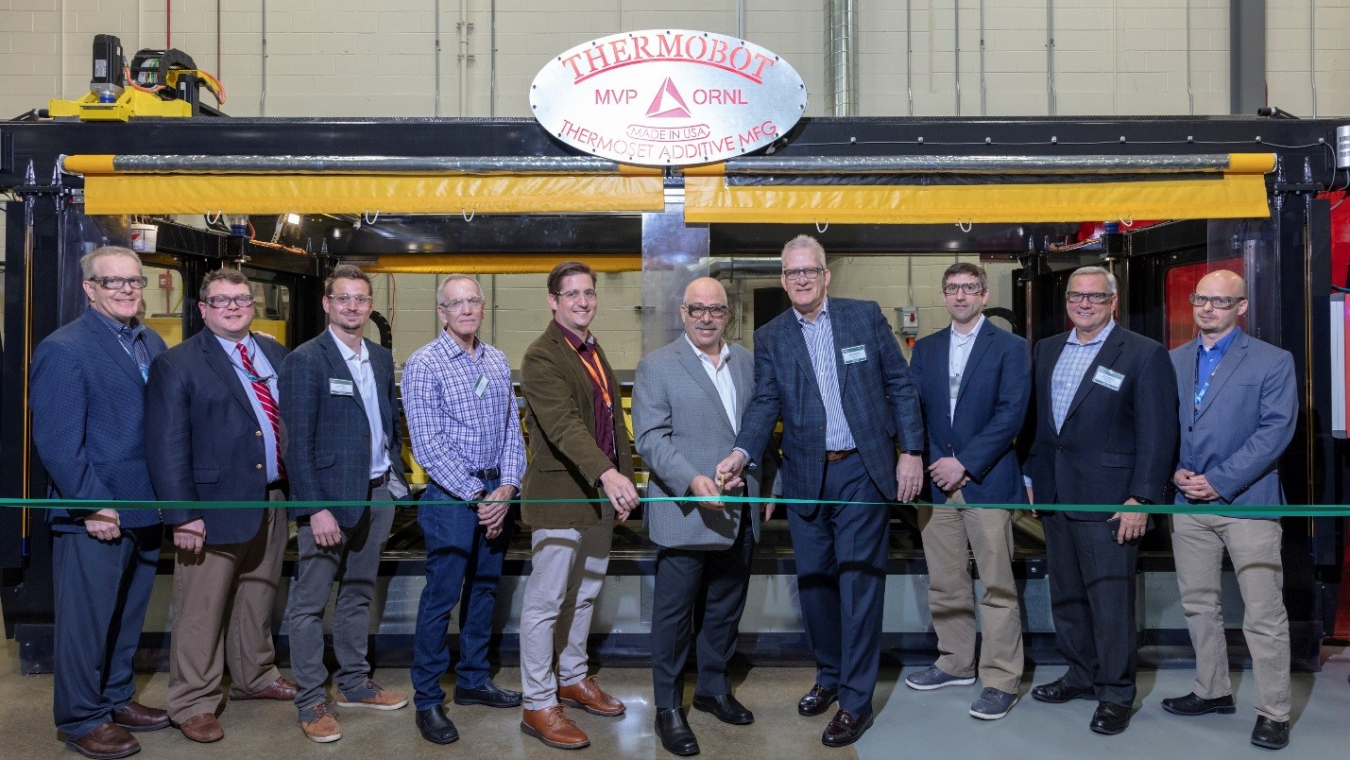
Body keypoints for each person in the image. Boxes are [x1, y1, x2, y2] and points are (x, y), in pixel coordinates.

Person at [717, 235, 925, 748]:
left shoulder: (863, 316)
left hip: (861, 471)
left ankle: (856, 701)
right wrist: (742, 453)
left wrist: (911, 451)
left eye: (810, 271)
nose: (801, 279)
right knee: (814, 587)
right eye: (792, 273)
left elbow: (900, 385)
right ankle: (830, 675)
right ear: (784, 279)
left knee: (858, 585)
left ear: (826, 275)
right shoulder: (772, 336)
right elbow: (766, 403)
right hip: (807, 475)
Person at [1024, 265, 1177, 735]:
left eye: (1094, 296)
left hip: (1111, 500)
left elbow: (1158, 432)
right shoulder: (1047, 349)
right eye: (1076, 296)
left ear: (1114, 301)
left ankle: (1115, 693)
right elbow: (1040, 425)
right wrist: (1031, 476)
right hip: (1054, 494)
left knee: (1110, 601)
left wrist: (1142, 497)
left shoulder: (1143, 354)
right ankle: (1080, 673)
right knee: (1067, 596)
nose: (1084, 304)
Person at [30, 246, 170, 759]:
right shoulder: (64, 349)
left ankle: (115, 697)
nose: (127, 289)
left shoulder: (149, 341)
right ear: (89, 289)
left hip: (143, 508)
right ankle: (82, 717)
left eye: (134, 280)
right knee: (86, 624)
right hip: (95, 515)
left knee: (127, 616)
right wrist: (92, 506)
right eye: (113, 282)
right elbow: (58, 441)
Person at [145, 268, 295, 744]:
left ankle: (255, 676)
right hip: (211, 506)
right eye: (221, 299)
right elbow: (165, 445)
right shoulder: (180, 363)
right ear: (203, 308)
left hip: (272, 495)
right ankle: (192, 700)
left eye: (242, 299)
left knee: (259, 591)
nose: (233, 306)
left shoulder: (272, 353)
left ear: (254, 306)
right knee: (201, 606)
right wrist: (183, 514)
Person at [633, 277, 773, 756]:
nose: (708, 317)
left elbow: (759, 431)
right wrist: (692, 480)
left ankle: (713, 689)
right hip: (686, 510)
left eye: (716, 309)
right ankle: (668, 708)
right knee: (673, 618)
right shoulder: (657, 366)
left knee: (724, 609)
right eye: (698, 309)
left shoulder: (747, 362)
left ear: (727, 314)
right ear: (683, 312)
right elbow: (650, 438)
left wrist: (767, 485)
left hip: (740, 509)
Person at [1161, 269, 1296, 751]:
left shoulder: (1272, 361)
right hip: (1185, 502)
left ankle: (1274, 711)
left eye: (1220, 302)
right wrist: (1173, 471)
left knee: (1263, 613)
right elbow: (1162, 425)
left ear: (1242, 307)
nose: (1207, 309)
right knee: (1199, 604)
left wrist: (1218, 481)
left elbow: (1275, 431)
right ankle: (1212, 690)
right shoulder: (1173, 359)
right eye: (1201, 299)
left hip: (1247, 504)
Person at [278, 264, 410, 743]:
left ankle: (354, 681)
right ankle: (312, 698)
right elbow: (295, 443)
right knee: (310, 602)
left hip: (377, 493)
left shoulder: (377, 357)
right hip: (329, 502)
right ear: (327, 304)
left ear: (369, 306)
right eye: (343, 298)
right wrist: (315, 508)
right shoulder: (306, 361)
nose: (352, 306)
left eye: (360, 299)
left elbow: (387, 421)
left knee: (357, 590)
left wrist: (395, 473)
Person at [517, 261, 638, 750]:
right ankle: (538, 701)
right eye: (572, 294)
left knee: (584, 595)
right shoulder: (541, 356)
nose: (583, 301)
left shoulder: (592, 348)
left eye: (589, 293)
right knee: (545, 604)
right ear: (553, 300)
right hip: (560, 495)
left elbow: (612, 423)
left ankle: (572, 676)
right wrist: (607, 475)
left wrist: (624, 482)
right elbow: (565, 426)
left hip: (598, 497)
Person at [403, 274, 526, 746]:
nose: (468, 309)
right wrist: (479, 497)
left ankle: (473, 680)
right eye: (457, 303)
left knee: (485, 590)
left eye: (474, 300)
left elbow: (513, 431)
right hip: (451, 499)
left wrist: (508, 488)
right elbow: (428, 447)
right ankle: (428, 699)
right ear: (442, 311)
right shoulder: (424, 365)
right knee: (441, 597)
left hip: (498, 493)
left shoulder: (495, 361)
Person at [906, 262, 1029, 720]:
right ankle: (956, 661)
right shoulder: (928, 349)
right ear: (944, 296)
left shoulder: (1011, 347)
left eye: (969, 288)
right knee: (946, 581)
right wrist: (939, 461)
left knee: (996, 584)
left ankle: (1000, 678)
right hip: (938, 483)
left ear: (983, 295)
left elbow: (1011, 413)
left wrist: (967, 463)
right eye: (952, 288)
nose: (960, 296)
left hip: (987, 480)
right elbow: (913, 408)